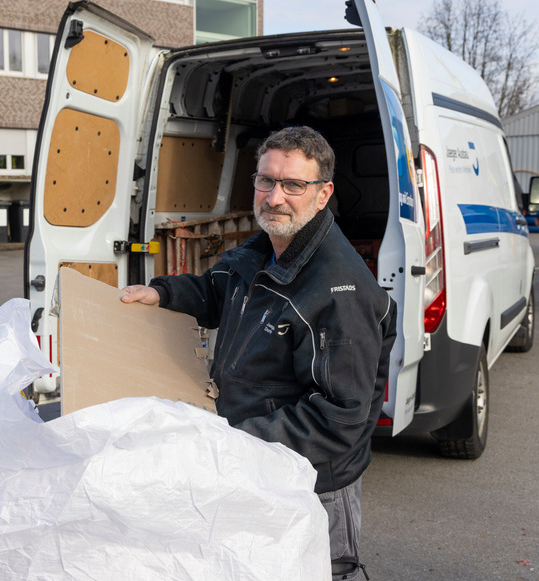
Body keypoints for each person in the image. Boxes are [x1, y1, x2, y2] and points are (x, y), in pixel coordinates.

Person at [121, 126, 396, 580]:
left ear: (323, 194)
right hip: (252, 459)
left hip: (312, 485)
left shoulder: (339, 292)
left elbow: (338, 420)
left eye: (293, 185)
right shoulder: (268, 248)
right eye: (266, 180)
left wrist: (229, 440)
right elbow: (220, 291)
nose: (274, 197)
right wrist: (163, 293)